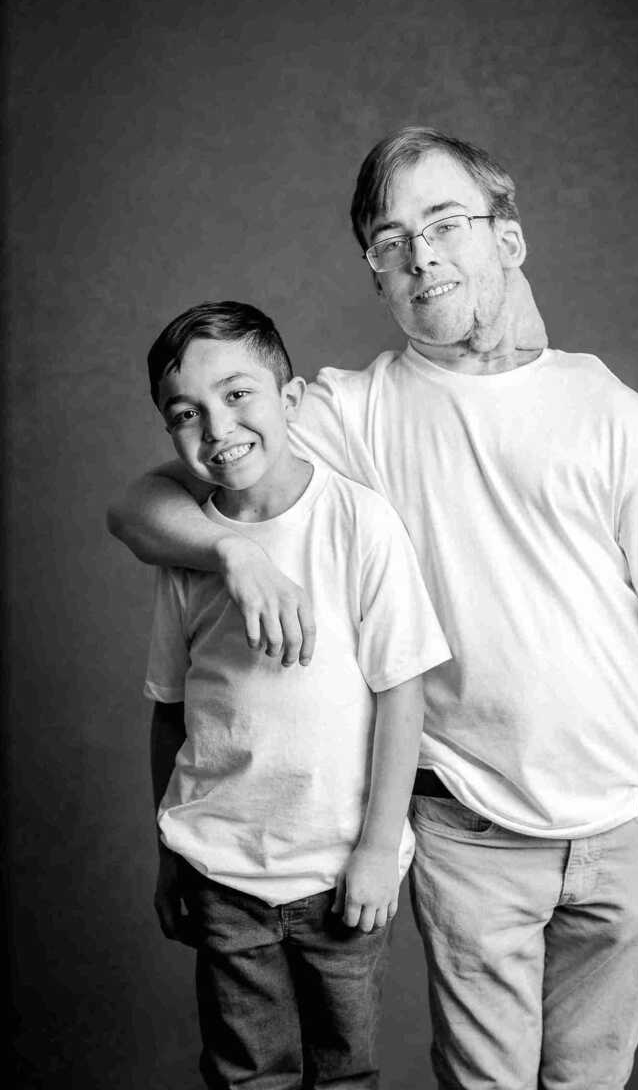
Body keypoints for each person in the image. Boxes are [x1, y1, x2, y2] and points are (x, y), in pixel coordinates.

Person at [110, 127, 638, 1090]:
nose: (421, 254)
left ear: (508, 238)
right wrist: (233, 549)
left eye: (445, 224)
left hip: (620, 836)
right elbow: (142, 505)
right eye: (390, 243)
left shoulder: (616, 417)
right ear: (379, 282)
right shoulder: (354, 411)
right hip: (468, 830)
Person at [141, 300, 451, 1089]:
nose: (217, 428)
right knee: (249, 1074)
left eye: (238, 394)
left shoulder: (357, 523)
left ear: (292, 399)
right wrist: (169, 851)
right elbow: (171, 710)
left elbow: (402, 697)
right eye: (187, 413)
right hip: (223, 871)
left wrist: (380, 848)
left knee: (345, 1074)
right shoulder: (192, 552)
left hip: (339, 871)